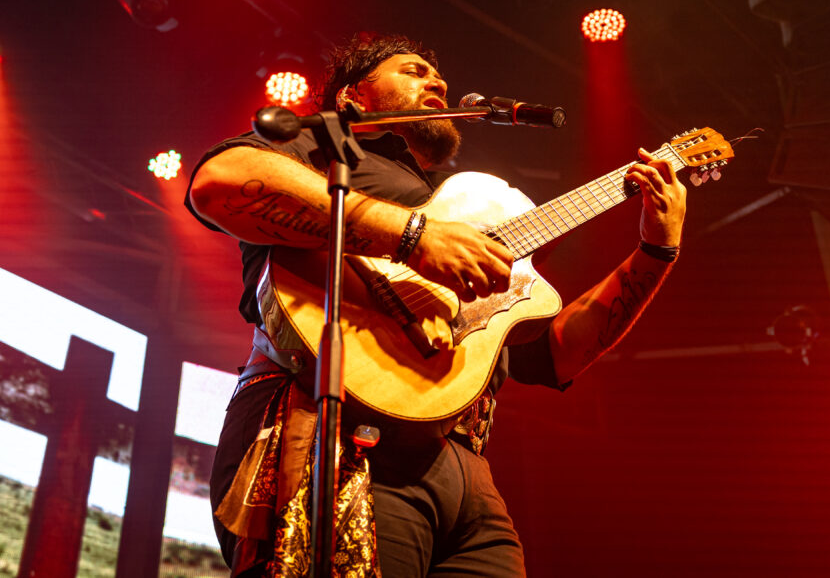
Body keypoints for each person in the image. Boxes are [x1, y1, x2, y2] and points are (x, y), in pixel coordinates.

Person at [186, 33, 687, 577]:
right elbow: (220, 183)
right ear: (355, 97)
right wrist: (413, 237)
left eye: (437, 74)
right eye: (413, 70)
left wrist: (656, 250)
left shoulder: (466, 206)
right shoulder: (325, 150)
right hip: (338, 424)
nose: (437, 81)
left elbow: (557, 354)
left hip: (466, 469)